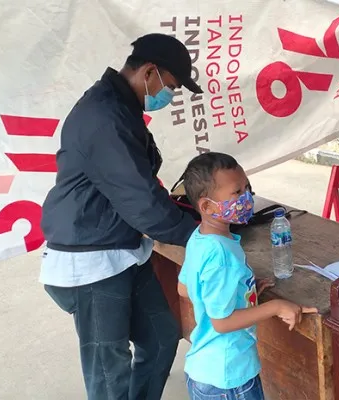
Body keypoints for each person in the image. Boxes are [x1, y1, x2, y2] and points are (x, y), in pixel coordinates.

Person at [40, 33, 203, 399]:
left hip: (123, 248)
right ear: (150, 72)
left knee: (161, 339)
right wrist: (202, 234)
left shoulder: (120, 107)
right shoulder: (106, 116)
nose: (170, 96)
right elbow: (142, 203)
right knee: (108, 373)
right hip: (91, 258)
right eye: (171, 86)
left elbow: (137, 185)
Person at [177, 152, 317, 400]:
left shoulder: (200, 238)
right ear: (207, 206)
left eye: (247, 188)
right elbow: (222, 322)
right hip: (229, 379)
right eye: (237, 193)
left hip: (205, 370)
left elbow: (184, 288)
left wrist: (242, 292)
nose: (247, 198)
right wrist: (276, 306)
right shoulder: (222, 257)